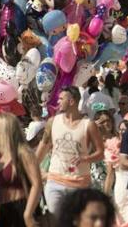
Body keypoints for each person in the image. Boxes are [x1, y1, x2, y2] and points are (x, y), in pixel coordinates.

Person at [36, 86, 105, 221]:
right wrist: (31, 170)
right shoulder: (52, 122)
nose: (58, 102)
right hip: (54, 182)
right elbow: (43, 147)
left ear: (72, 101)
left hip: (80, 185)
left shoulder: (89, 125)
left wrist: (85, 158)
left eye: (61, 99)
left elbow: (101, 153)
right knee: (56, 221)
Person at [0, 113, 42, 227]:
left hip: (22, 208)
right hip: (5, 211)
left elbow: (37, 184)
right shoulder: (2, 156)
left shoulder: (24, 153)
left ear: (4, 132)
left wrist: (28, 214)